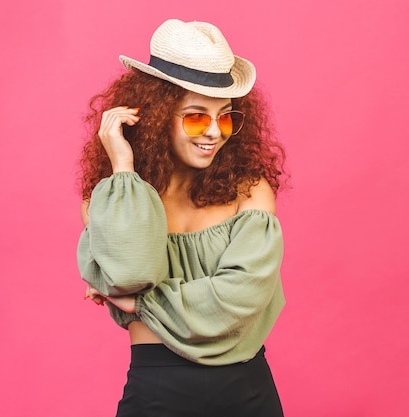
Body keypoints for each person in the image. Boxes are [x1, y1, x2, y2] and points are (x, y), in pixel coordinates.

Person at [76, 19, 288, 417]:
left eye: (225, 116)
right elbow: (128, 272)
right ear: (156, 116)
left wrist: (136, 303)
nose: (214, 132)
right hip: (156, 391)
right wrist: (122, 167)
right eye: (195, 116)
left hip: (247, 392)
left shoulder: (251, 189)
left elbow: (237, 302)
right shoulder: (112, 199)